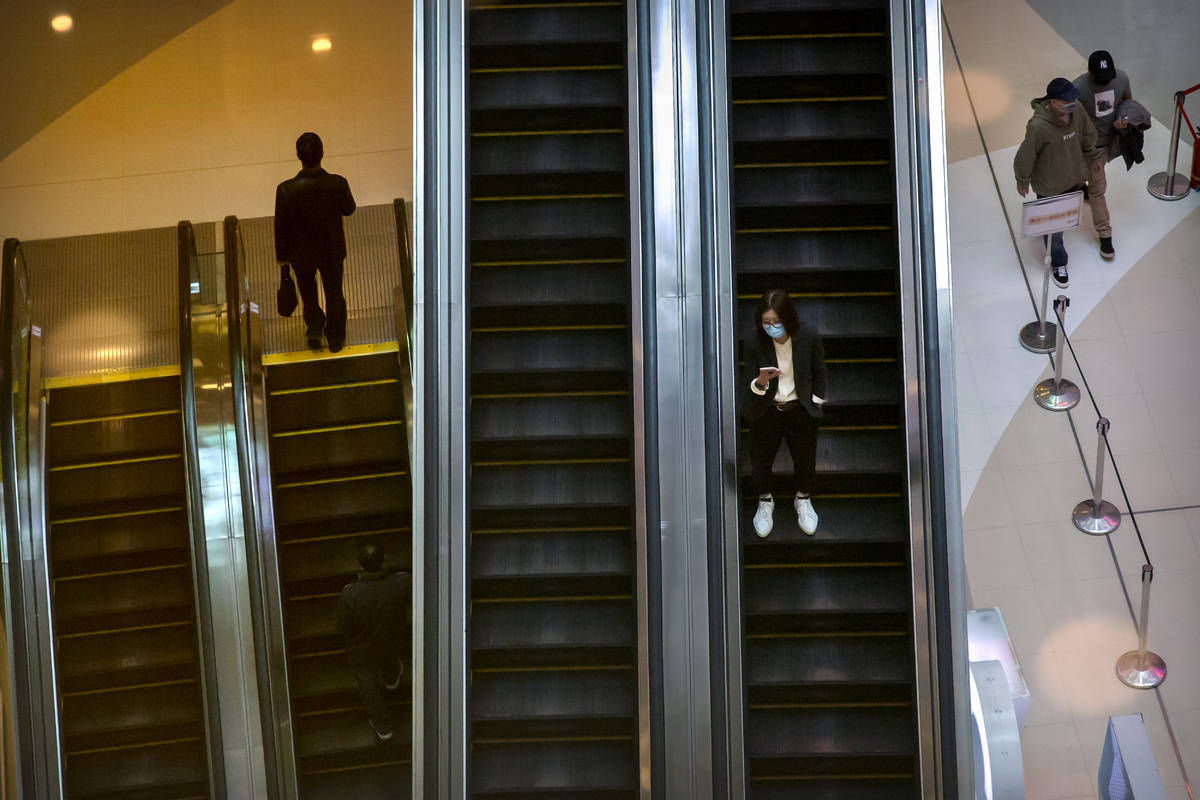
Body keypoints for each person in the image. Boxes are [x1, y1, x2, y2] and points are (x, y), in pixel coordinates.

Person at [745, 288, 827, 538]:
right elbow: (750, 384)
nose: (770, 327)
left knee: (805, 462)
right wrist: (760, 381)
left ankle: (802, 499)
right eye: (766, 322)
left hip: (799, 409)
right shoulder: (754, 341)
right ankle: (765, 502)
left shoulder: (808, 336)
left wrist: (817, 402)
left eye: (775, 322)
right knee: (760, 463)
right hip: (767, 410)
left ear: (787, 318)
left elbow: (819, 370)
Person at [1013, 78, 1102, 289]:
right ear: (1052, 102)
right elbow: (1026, 155)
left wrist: (1094, 157)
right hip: (1049, 185)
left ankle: (1045, 230)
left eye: (1073, 100)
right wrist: (1022, 179)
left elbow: (1088, 133)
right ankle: (1059, 263)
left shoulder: (1077, 109)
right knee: (1055, 231)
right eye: (1066, 102)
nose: (1071, 105)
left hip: (1073, 178)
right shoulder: (1038, 127)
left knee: (1061, 222)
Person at [274, 132, 356, 352]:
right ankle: (336, 338)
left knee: (308, 295)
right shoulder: (337, 183)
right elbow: (349, 209)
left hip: (301, 254)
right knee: (334, 293)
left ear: (298, 156)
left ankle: (314, 329)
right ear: (322, 153)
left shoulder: (285, 190)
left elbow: (280, 226)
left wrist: (282, 258)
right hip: (332, 250)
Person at [336, 541, 411, 742]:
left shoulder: (350, 594)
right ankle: (391, 678)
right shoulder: (402, 581)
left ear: (359, 564)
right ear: (385, 559)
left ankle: (383, 727)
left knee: (368, 687)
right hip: (393, 641)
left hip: (362, 650)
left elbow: (343, 627)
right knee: (389, 657)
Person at [1073, 50, 1134, 261]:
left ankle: (1084, 188)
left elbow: (1128, 102)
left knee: (1095, 188)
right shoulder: (1078, 88)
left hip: (1109, 142)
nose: (1104, 82)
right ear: (1088, 72)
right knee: (1098, 190)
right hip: (1089, 147)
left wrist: (1124, 120)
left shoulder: (1122, 78)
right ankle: (1105, 234)